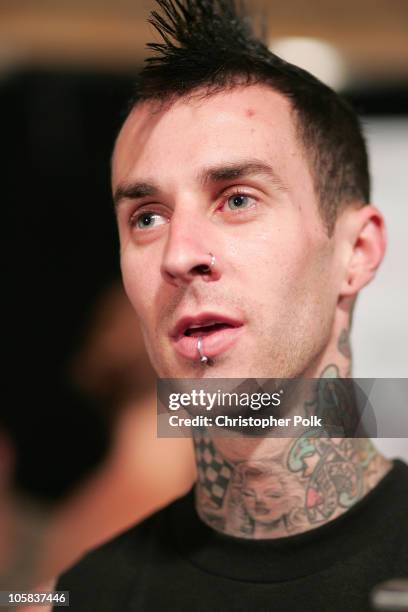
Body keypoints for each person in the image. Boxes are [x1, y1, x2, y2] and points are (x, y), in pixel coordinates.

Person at [54, 0, 408, 610]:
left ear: (358, 251)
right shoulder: (90, 595)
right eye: (147, 217)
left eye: (237, 199)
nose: (178, 254)